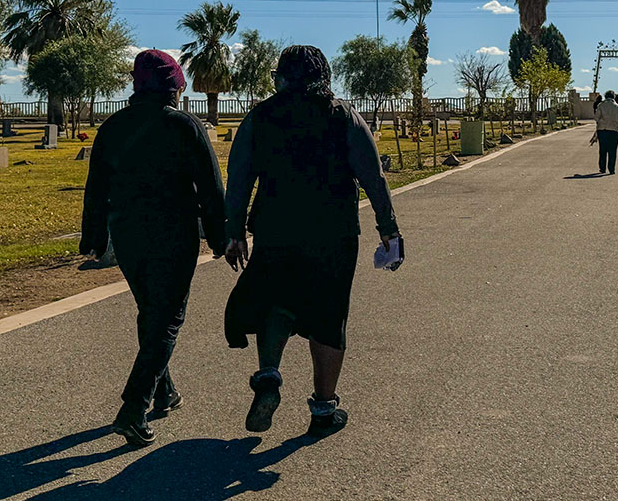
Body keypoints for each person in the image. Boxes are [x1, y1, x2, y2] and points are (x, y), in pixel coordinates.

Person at [223, 45, 401, 438]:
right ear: (325, 75)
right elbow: (373, 177)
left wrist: (233, 232)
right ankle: (323, 409)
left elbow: (238, 180)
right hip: (333, 233)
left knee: (276, 303)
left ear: (281, 76)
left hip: (275, 229)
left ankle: (269, 375)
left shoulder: (261, 117)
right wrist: (389, 230)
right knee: (328, 314)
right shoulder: (343, 116)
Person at [80, 50, 225, 447]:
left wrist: (92, 236)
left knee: (152, 312)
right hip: (172, 233)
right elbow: (210, 189)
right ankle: (134, 406)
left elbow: (97, 187)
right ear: (172, 87)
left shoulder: (113, 127)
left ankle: (164, 391)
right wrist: (219, 237)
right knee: (167, 318)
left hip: (127, 234)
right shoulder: (183, 125)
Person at [589, 88, 618, 174]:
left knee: (603, 150)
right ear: (614, 97)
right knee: (613, 150)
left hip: (603, 130)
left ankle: (602, 168)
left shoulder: (601, 105)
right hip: (615, 131)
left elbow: (596, 118)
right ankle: (611, 169)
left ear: (605, 96)